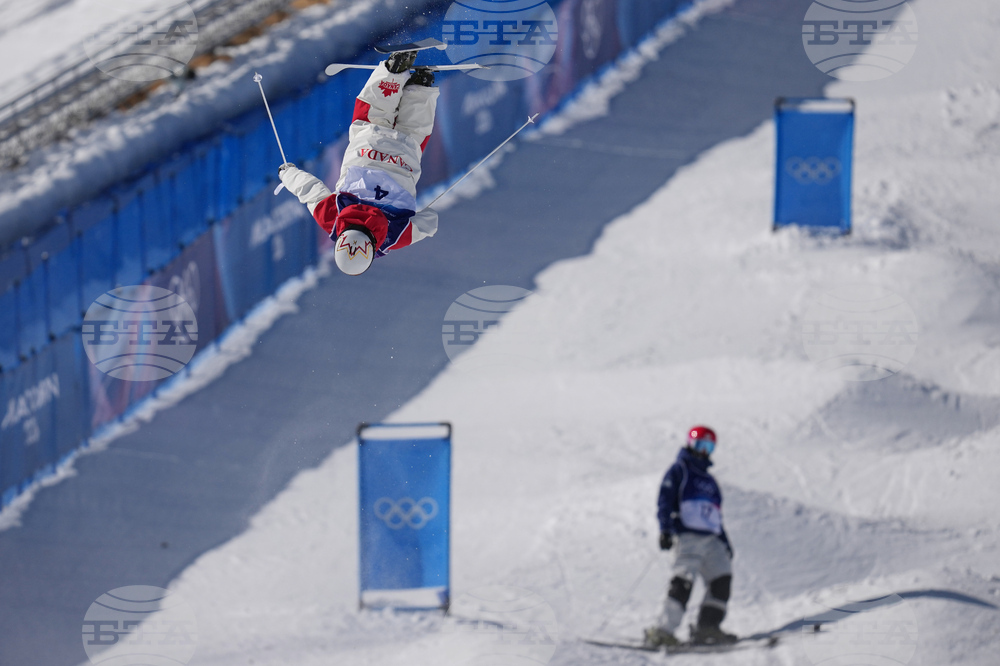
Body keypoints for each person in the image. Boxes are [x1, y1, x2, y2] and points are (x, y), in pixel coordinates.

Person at [278, 51, 440, 276]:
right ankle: (393, 71)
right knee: (373, 114)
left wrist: (416, 215)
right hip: (367, 153)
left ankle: (421, 86)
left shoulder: (394, 237)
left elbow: (429, 223)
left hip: (403, 161)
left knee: (413, 132)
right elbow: (309, 190)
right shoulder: (333, 220)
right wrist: (287, 174)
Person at [645, 425, 737, 647]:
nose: (703, 451)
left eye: (708, 446)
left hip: (712, 539)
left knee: (722, 579)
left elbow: (714, 515)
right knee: (683, 581)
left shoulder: (711, 482)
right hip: (688, 536)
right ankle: (662, 630)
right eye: (699, 445)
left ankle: (708, 628)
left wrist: (725, 542)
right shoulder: (680, 470)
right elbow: (665, 500)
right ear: (689, 443)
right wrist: (665, 529)